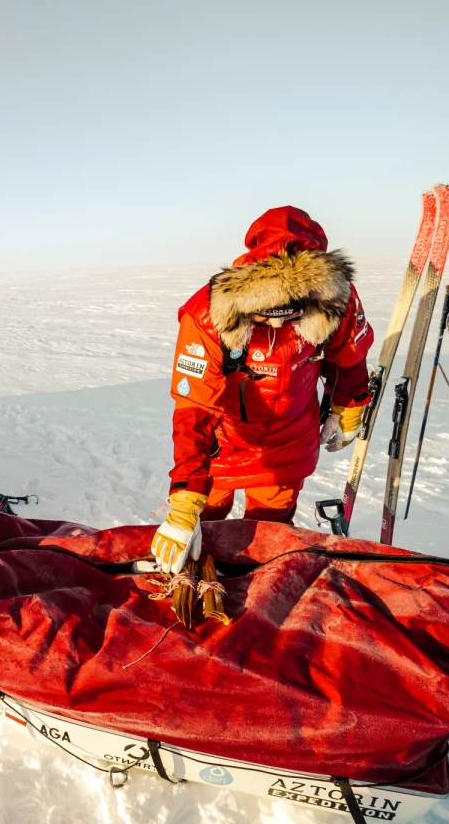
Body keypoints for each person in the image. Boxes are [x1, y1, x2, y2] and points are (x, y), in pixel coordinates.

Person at [151, 206, 375, 574]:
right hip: (221, 445)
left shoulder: (337, 300)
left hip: (288, 445)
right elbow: (194, 407)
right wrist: (185, 501)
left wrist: (347, 408)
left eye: (291, 313)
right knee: (203, 533)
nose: (276, 322)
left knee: (266, 540)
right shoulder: (207, 314)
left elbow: (348, 359)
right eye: (266, 312)